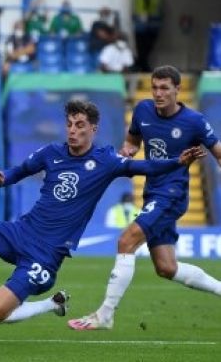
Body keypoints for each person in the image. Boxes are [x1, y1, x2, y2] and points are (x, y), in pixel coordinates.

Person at [0, 99, 204, 327]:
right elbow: (21, 170)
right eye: (70, 124)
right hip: (20, 231)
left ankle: (51, 303)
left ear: (93, 129)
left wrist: (177, 162)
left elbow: (144, 167)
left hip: (46, 255)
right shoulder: (51, 153)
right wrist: (3, 177)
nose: (73, 131)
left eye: (80, 126)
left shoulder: (107, 161)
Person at [68, 65, 221, 331]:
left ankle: (105, 314)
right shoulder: (143, 110)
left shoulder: (194, 121)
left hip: (172, 193)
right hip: (153, 190)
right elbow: (132, 142)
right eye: (154, 87)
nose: (158, 93)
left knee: (126, 240)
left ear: (177, 89)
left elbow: (218, 152)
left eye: (164, 88)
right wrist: (126, 152)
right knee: (166, 267)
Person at [132, 0, 163, 72]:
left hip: (153, 25)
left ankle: (140, 65)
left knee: (148, 47)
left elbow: (160, 9)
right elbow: (133, 8)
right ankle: (144, 67)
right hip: (140, 25)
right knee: (140, 48)